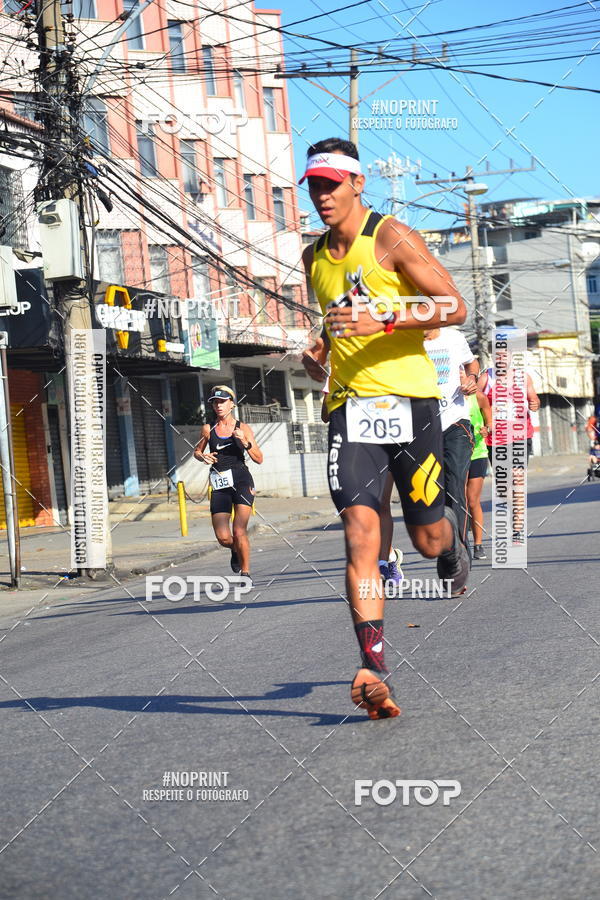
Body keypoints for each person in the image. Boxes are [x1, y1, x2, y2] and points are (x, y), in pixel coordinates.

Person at [300, 137, 470, 720]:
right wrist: (319, 348)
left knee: (427, 539)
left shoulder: (391, 237)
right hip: (351, 410)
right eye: (314, 185)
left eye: (331, 184)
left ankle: (451, 546)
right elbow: (335, 321)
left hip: (412, 404)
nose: (322, 195)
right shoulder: (314, 257)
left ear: (357, 184)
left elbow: (454, 306)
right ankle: (374, 667)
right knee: (360, 538)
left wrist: (387, 315)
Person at [194, 386, 263, 582]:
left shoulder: (243, 428)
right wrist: (202, 456)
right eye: (215, 402)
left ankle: (245, 573)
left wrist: (245, 443)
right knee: (223, 537)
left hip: (241, 480)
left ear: (232, 404)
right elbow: (197, 451)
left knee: (239, 530)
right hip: (220, 483)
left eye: (222, 401)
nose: (218, 406)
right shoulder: (208, 429)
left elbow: (259, 458)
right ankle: (235, 549)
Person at [423, 327, 479, 552]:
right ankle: (444, 539)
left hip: (455, 422)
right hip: (422, 426)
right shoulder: (405, 340)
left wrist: (472, 378)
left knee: (455, 484)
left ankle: (458, 550)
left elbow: (471, 363)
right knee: (430, 490)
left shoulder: (454, 337)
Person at [479, 353, 540, 540]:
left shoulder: (524, 377)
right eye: (498, 355)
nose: (502, 359)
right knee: (505, 487)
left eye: (505, 355)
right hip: (496, 439)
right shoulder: (486, 378)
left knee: (518, 480)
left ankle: (517, 529)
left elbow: (534, 399)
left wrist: (535, 403)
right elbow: (475, 403)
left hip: (521, 435)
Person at [466, 390, 492, 559]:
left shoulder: (479, 397)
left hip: (477, 454)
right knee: (458, 499)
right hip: (453, 455)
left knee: (472, 499)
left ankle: (478, 544)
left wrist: (487, 429)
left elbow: (490, 422)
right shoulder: (446, 396)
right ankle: (460, 543)